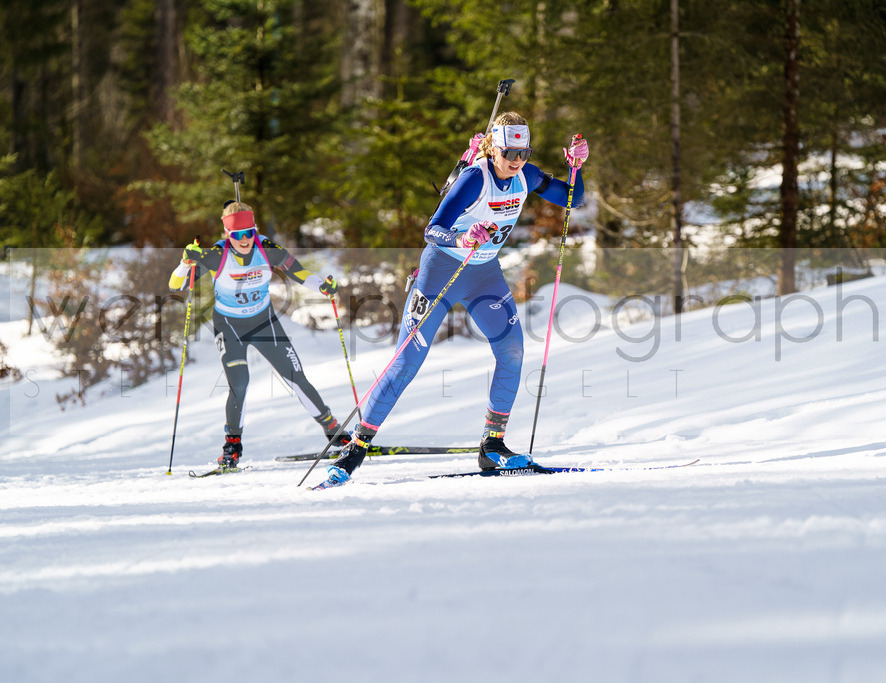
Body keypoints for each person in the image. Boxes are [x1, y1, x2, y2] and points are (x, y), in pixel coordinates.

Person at [311, 112, 588, 489]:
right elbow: (433, 229)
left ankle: (492, 446)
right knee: (408, 360)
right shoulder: (476, 178)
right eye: (509, 151)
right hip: (441, 272)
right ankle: (355, 449)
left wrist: (576, 167)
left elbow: (574, 197)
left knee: (512, 350)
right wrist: (463, 238)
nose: (517, 160)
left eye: (524, 151)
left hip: (484, 273)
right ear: (493, 148)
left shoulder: (527, 175)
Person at [169, 201, 348, 468]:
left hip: (264, 322)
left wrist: (322, 286)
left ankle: (335, 433)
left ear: (255, 230)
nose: (244, 240)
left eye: (249, 233)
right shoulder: (216, 256)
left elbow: (298, 272)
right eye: (237, 235)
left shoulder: (269, 251)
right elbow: (177, 284)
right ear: (228, 236)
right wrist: (185, 263)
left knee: (296, 377)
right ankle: (232, 447)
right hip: (230, 326)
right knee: (239, 383)